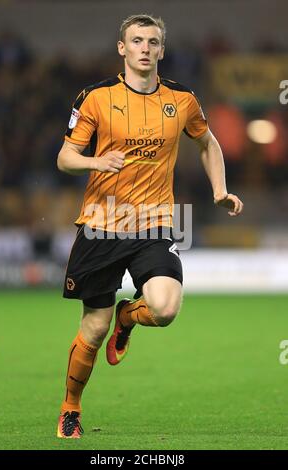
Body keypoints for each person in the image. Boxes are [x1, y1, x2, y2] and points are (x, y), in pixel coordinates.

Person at [56, 14, 243, 438]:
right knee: (94, 328)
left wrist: (220, 189)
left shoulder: (183, 100)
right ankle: (71, 407)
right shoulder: (96, 98)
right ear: (122, 48)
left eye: (152, 41)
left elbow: (208, 142)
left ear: (162, 50)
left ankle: (130, 315)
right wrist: (94, 161)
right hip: (102, 224)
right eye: (136, 41)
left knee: (165, 307)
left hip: (153, 222)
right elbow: (65, 158)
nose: (144, 48)